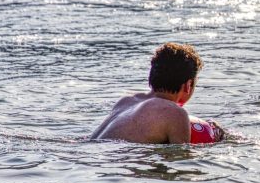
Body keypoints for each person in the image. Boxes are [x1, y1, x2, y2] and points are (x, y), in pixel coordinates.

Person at [90, 42, 224, 144]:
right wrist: (216, 140)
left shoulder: (127, 101)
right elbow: (181, 161)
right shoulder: (175, 114)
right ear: (188, 85)